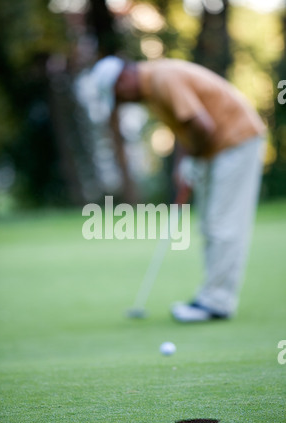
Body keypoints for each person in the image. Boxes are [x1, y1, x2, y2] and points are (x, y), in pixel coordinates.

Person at [88, 56, 267, 322]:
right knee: (210, 224)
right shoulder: (153, 86)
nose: (123, 102)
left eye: (119, 95)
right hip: (216, 148)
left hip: (236, 140)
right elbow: (188, 125)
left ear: (124, 79)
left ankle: (216, 303)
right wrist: (184, 164)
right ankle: (212, 297)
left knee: (223, 224)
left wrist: (193, 159)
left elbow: (202, 126)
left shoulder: (163, 79)